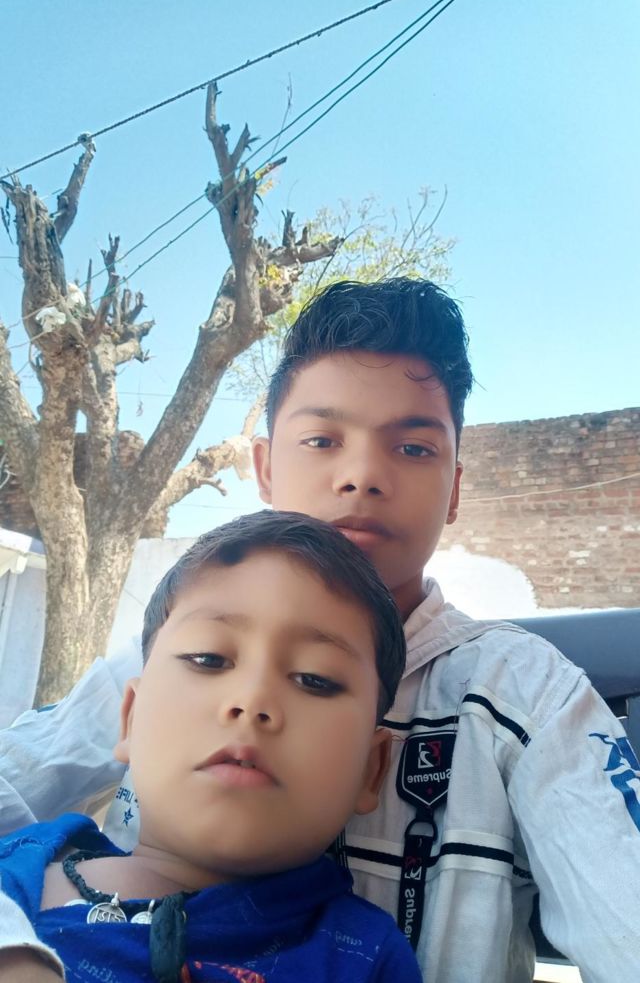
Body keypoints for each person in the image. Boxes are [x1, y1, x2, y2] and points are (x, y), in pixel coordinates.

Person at [1, 277, 639, 982]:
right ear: (266, 469)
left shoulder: (526, 694)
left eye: (413, 448)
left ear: (455, 488)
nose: (361, 476)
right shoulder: (167, 656)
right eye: (322, 439)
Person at [0, 509, 421, 982]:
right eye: (208, 658)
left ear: (370, 769)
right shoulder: (16, 866)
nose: (252, 700)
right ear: (130, 720)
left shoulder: (367, 958)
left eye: (314, 679)